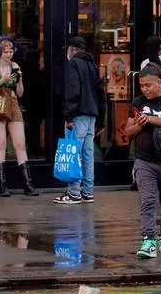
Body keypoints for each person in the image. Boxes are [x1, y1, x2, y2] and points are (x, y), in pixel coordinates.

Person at [124, 65, 161, 258]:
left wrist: (148, 119)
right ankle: (148, 240)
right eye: (141, 86)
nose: (144, 89)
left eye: (148, 85)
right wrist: (139, 126)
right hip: (144, 160)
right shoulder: (137, 102)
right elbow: (128, 132)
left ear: (159, 83)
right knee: (147, 200)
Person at [0, 38, 38, 197]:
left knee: (20, 144)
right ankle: (2, 184)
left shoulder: (16, 66)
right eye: (5, 51)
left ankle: (28, 183)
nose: (8, 54)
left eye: (11, 51)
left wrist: (19, 80)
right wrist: (3, 80)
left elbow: (20, 93)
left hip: (13, 103)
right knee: (0, 143)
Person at [55, 36, 101, 205]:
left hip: (79, 114)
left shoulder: (74, 64)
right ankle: (87, 192)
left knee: (73, 153)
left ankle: (74, 192)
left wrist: (69, 116)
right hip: (91, 115)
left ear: (73, 49)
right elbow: (100, 91)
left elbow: (72, 91)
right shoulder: (92, 64)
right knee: (87, 154)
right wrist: (100, 118)